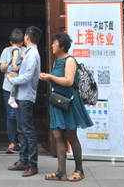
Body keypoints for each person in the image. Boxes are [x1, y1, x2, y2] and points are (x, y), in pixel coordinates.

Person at [39, 31, 94, 182]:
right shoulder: (57, 60)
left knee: (70, 135)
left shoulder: (69, 60)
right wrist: (47, 78)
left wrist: (50, 77)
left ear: (62, 46)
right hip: (58, 102)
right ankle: (61, 172)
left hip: (69, 102)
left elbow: (69, 81)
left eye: (54, 43)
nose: (52, 45)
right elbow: (58, 80)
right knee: (57, 135)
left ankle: (79, 170)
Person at [6, 25, 42, 177]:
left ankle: (32, 165)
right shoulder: (28, 53)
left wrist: (13, 79)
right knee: (22, 130)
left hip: (26, 96)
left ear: (27, 37)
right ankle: (23, 161)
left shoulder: (32, 54)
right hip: (22, 96)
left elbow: (27, 76)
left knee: (28, 131)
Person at [0, 28, 25, 153]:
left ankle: (22, 141)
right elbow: (2, 68)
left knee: (22, 115)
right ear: (10, 42)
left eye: (18, 43)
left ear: (22, 42)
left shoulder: (26, 52)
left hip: (23, 87)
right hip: (8, 87)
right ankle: (12, 142)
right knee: (11, 115)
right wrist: (12, 61)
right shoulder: (6, 51)